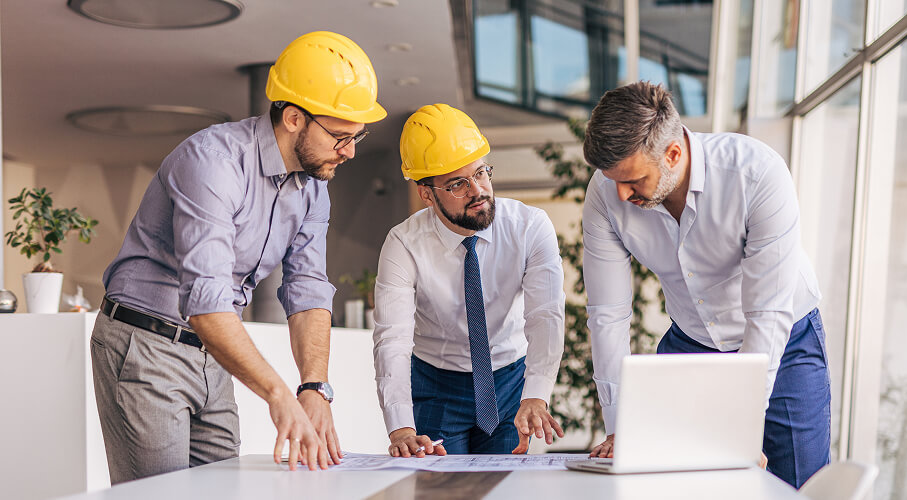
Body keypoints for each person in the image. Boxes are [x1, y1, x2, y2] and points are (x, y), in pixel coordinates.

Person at [90, 31, 387, 483]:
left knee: (223, 490)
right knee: (160, 497)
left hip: (212, 352)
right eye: (340, 136)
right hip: (146, 343)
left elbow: (307, 289)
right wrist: (278, 394)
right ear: (292, 118)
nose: (348, 152)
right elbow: (207, 301)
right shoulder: (213, 161)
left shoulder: (313, 188)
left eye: (357, 138)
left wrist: (313, 389)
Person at [581, 82, 830, 488]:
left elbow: (767, 313)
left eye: (634, 181)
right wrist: (617, 424)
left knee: (800, 484)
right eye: (613, 181)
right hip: (692, 342)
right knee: (680, 484)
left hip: (785, 342)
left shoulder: (756, 173)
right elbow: (608, 315)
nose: (621, 195)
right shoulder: (606, 192)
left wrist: (743, 424)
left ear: (673, 154)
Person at [373, 103, 566, 457]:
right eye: (457, 184)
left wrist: (536, 394)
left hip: (511, 383)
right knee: (441, 491)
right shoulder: (403, 244)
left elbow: (545, 315)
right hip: (437, 383)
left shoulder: (529, 227)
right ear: (426, 193)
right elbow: (393, 339)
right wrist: (401, 428)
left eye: (481, 173)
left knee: (508, 489)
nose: (477, 190)